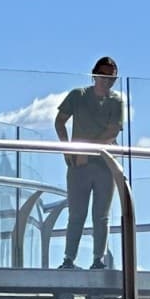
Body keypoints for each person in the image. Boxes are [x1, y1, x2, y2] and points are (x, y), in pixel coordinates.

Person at [54, 56, 126, 270]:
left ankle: (98, 260)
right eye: (103, 75)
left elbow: (111, 133)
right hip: (79, 166)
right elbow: (60, 122)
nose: (107, 80)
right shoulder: (78, 96)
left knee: (101, 216)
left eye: (111, 77)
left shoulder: (116, 101)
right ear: (94, 75)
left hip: (105, 164)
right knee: (76, 214)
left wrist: (86, 149)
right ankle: (68, 259)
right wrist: (69, 150)